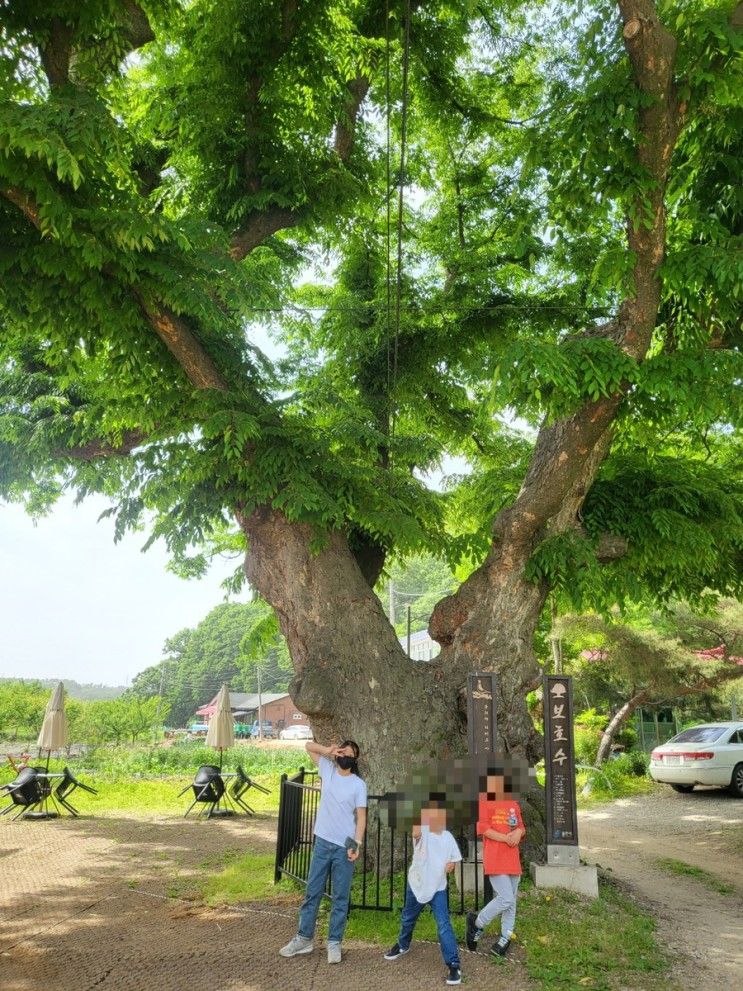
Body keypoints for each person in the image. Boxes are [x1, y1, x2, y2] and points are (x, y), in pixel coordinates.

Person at [279, 739, 367, 965]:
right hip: (322, 842)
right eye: (343, 751)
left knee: (340, 896)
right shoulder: (327, 770)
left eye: (351, 753)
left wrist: (357, 843)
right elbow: (308, 746)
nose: (346, 755)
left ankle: (334, 942)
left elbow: (361, 817)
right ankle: (304, 938)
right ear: (338, 754)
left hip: (344, 846)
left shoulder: (359, 785)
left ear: (355, 760)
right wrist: (327, 750)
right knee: (313, 892)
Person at [383, 801, 463, 986]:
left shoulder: (448, 837)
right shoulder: (422, 833)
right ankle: (403, 944)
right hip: (417, 884)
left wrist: (451, 865)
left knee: (443, 924)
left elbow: (454, 860)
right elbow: (415, 832)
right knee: (408, 917)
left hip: (438, 888)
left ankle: (453, 963)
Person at [466, 767, 526, 957]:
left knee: (511, 901)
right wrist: (505, 838)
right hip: (496, 857)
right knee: (506, 897)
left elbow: (520, 827)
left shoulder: (513, 804)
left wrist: (518, 832)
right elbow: (483, 828)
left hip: (512, 858)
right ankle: (477, 922)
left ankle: (505, 937)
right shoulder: (484, 800)